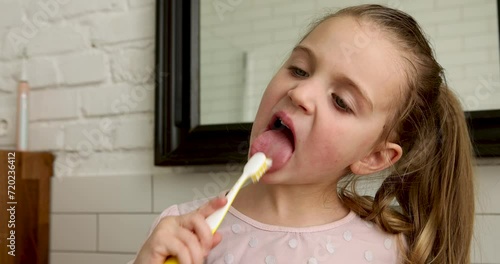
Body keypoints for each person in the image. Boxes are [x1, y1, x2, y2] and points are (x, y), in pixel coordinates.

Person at [132, 4, 475, 264]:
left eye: (341, 101)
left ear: (374, 156)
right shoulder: (182, 231)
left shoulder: (389, 250)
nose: (300, 93)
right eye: (299, 69)